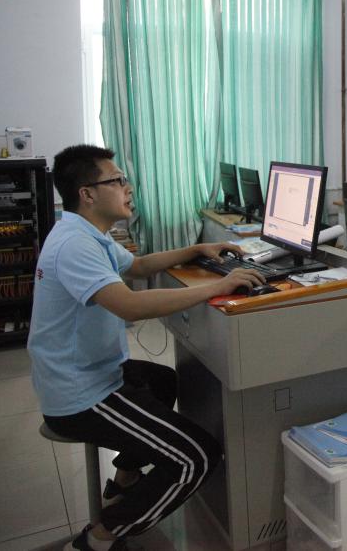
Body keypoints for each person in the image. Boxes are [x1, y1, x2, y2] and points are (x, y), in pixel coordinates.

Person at [29, 145, 250, 551]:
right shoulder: (75, 246)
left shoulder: (85, 232)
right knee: (196, 459)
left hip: (95, 373)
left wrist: (197, 250)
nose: (128, 188)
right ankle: (98, 539)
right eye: (117, 180)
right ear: (87, 194)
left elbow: (138, 266)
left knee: (162, 380)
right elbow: (129, 304)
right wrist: (218, 287)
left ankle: (124, 483)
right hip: (80, 395)